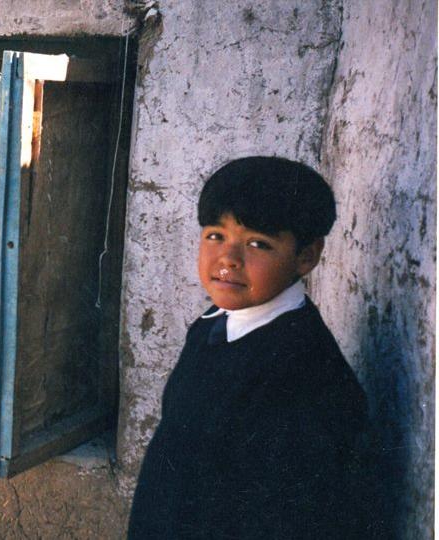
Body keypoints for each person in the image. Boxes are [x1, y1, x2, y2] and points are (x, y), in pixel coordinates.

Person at [127, 156, 371, 539]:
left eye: (258, 243)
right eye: (215, 235)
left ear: (307, 255)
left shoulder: (302, 375)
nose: (228, 258)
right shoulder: (216, 324)